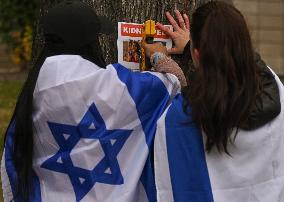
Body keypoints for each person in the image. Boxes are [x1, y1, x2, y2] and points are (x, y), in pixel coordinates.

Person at [1, 1, 186, 201]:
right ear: (90, 43)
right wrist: (159, 55)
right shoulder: (114, 85)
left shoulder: (33, 93)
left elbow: (13, 158)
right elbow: (173, 82)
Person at [143, 1, 283, 201]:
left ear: (197, 55)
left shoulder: (179, 117)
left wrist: (162, 61)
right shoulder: (273, 85)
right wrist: (196, 46)